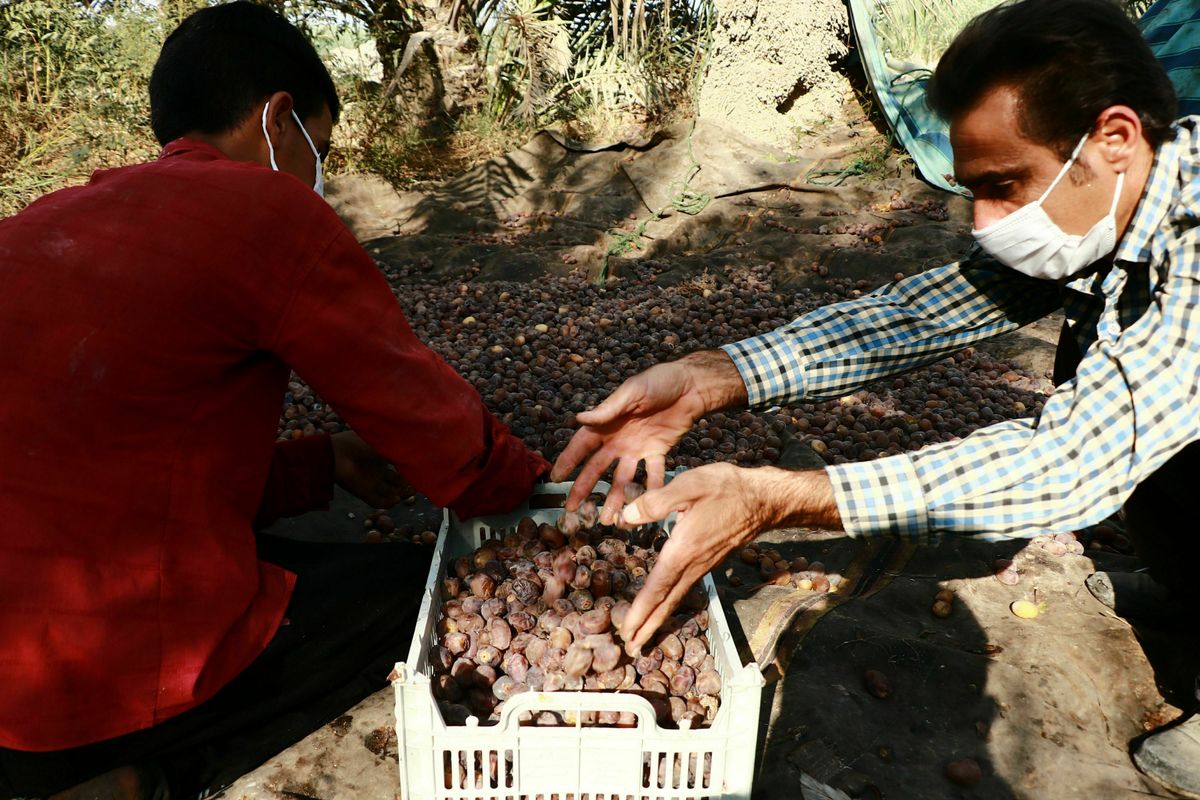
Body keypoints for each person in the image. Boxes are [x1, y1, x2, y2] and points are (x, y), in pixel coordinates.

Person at [552, 0, 1199, 795]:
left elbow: (1068, 461)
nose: (983, 221)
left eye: (1003, 186)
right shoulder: (1107, 195)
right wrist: (712, 374)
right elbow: (919, 313)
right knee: (1165, 458)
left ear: (1115, 138)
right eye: (972, 190)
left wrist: (773, 498)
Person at [0, 4, 548, 798]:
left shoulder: (36, 224)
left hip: (12, 694)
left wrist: (312, 467)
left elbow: (104, 465)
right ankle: (151, 777)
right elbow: (426, 421)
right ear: (277, 120)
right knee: (428, 600)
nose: (318, 173)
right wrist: (534, 496)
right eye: (319, 151)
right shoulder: (266, 209)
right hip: (97, 702)